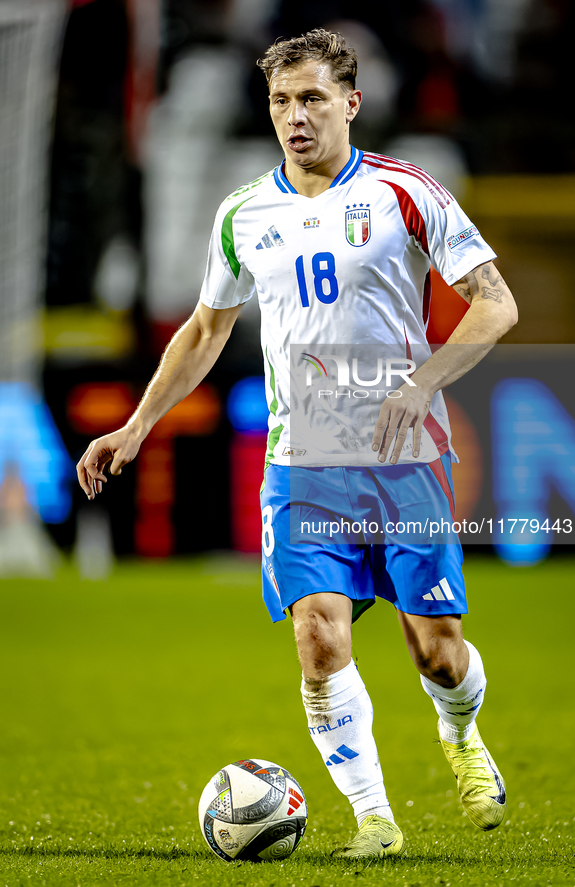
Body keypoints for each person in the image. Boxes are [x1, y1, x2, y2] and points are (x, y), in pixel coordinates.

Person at [77, 29, 517, 859]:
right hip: (301, 461)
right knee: (318, 636)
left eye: (311, 97)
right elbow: (206, 329)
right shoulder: (244, 212)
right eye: (281, 101)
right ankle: (372, 818)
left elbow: (495, 305)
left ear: (351, 102)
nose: (294, 116)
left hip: (405, 456)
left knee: (440, 653)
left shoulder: (405, 192)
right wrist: (136, 425)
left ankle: (460, 733)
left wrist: (422, 382)